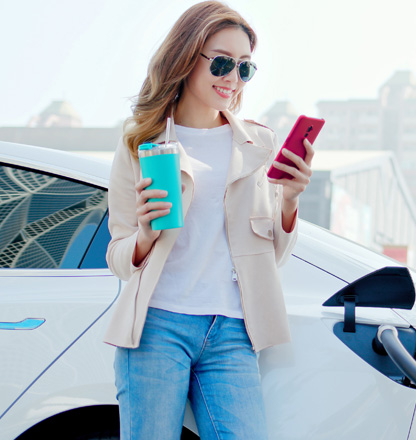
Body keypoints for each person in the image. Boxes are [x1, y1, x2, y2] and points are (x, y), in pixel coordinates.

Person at [103, 2, 313, 438]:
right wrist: (144, 235)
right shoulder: (140, 142)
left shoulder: (259, 144)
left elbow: (273, 253)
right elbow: (118, 258)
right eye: (221, 62)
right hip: (156, 326)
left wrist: (289, 201)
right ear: (186, 56)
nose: (232, 78)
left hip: (233, 331)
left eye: (244, 68)